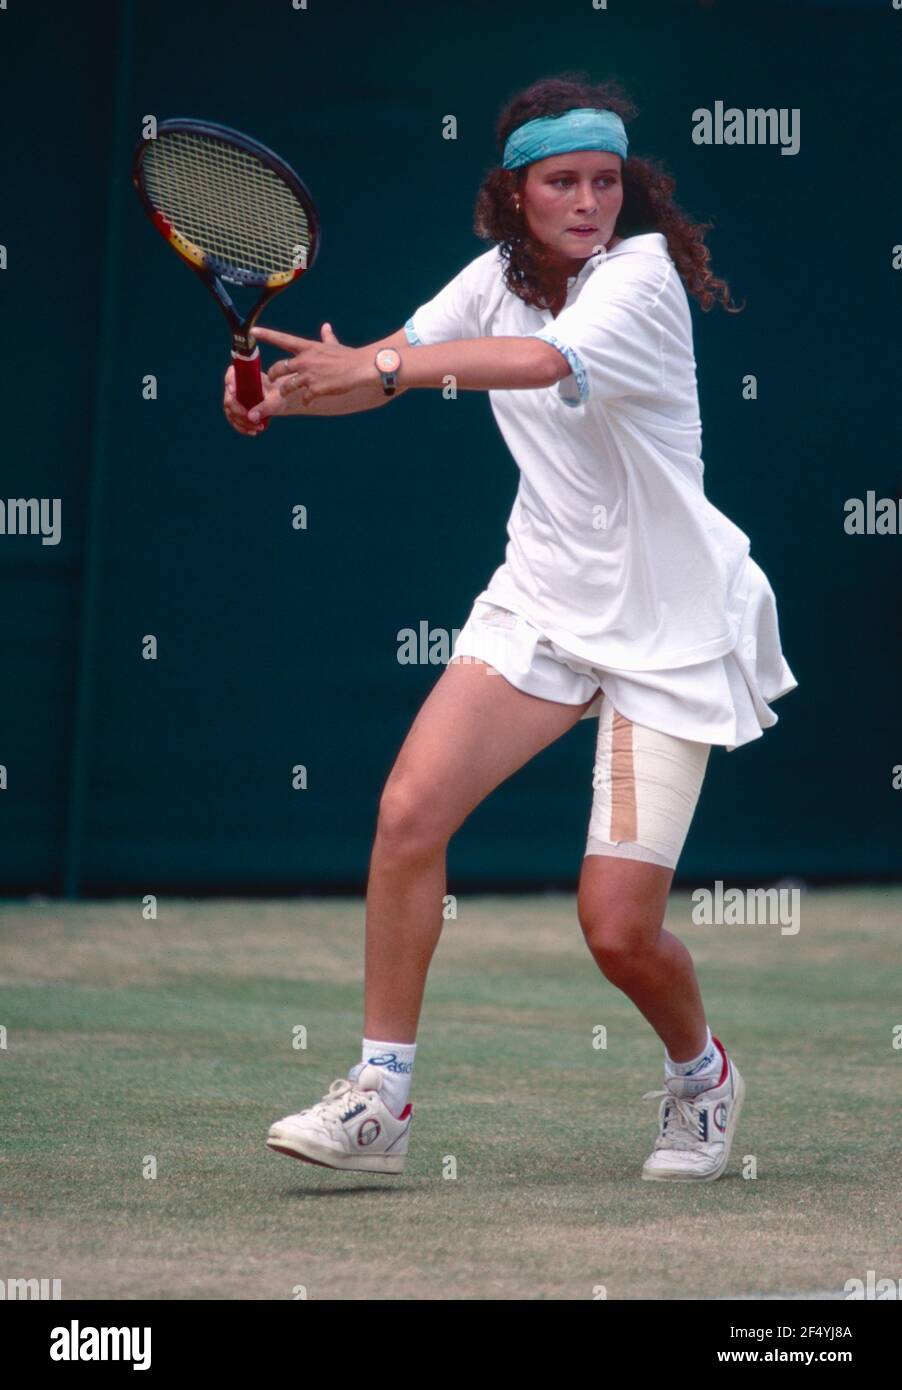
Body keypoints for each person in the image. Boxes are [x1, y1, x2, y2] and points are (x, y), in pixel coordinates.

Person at [223, 74, 797, 1182]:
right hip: (540, 605)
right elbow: (383, 371)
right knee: (407, 811)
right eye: (560, 182)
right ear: (515, 194)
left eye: (602, 180)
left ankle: (701, 1077)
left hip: (667, 630)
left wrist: (378, 365)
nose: (587, 200)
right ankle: (379, 1098)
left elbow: (528, 363)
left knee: (615, 929)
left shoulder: (638, 280)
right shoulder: (494, 278)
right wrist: (292, 393)